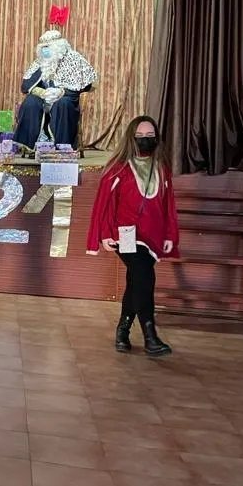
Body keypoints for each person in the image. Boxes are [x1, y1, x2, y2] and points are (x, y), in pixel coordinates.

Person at [87, 115, 177, 356]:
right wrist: (105, 233)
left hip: (153, 235)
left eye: (150, 136)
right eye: (140, 136)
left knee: (136, 280)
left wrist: (169, 234)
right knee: (144, 277)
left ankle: (122, 330)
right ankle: (150, 335)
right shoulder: (118, 168)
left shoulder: (162, 168)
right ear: (131, 137)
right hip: (125, 234)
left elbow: (168, 204)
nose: (146, 140)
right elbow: (104, 203)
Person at [12, 29, 98, 151]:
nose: (44, 50)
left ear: (58, 46)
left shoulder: (74, 58)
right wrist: (40, 92)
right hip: (44, 98)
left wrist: (61, 92)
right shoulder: (40, 62)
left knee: (63, 103)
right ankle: (31, 144)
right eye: (43, 47)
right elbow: (26, 85)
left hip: (65, 99)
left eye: (47, 47)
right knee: (30, 102)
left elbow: (86, 85)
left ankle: (61, 146)